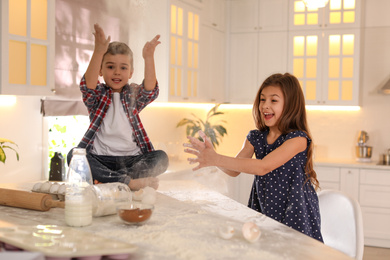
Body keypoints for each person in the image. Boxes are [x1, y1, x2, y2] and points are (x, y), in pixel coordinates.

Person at [184, 73, 323, 242]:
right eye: (262, 99)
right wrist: (212, 155)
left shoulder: (297, 139)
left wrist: (215, 158)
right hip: (265, 207)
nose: (265, 105)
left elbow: (263, 167)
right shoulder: (256, 137)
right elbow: (234, 170)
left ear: (291, 105)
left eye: (273, 100)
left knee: (293, 251)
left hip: (295, 210)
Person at [67, 23, 168, 190]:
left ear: (130, 73)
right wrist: (99, 51)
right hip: (101, 158)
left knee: (161, 158)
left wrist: (148, 58)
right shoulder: (98, 95)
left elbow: (150, 90)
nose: (117, 72)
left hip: (132, 160)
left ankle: (112, 180)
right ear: (101, 70)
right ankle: (128, 182)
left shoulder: (133, 94)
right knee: (73, 155)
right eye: (110, 66)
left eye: (123, 68)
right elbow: (87, 86)